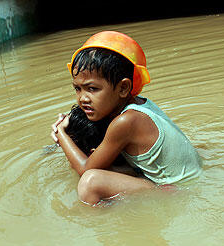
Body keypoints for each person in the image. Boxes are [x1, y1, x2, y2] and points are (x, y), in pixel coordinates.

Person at [51, 31, 202, 205]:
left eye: (92, 89)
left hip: (176, 192)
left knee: (90, 182)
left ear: (123, 87)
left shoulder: (125, 122)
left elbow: (85, 169)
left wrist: (61, 132)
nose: (83, 98)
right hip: (189, 180)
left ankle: (100, 223)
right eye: (77, 89)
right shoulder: (141, 105)